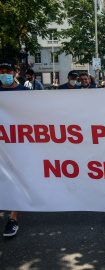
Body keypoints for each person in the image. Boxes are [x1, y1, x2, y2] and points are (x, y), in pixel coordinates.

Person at [0, 59, 31, 237]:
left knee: (14, 177)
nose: (4, 74)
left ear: (15, 73)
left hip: (18, 143)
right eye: (1, 71)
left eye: (7, 71)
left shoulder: (25, 92)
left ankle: (13, 218)